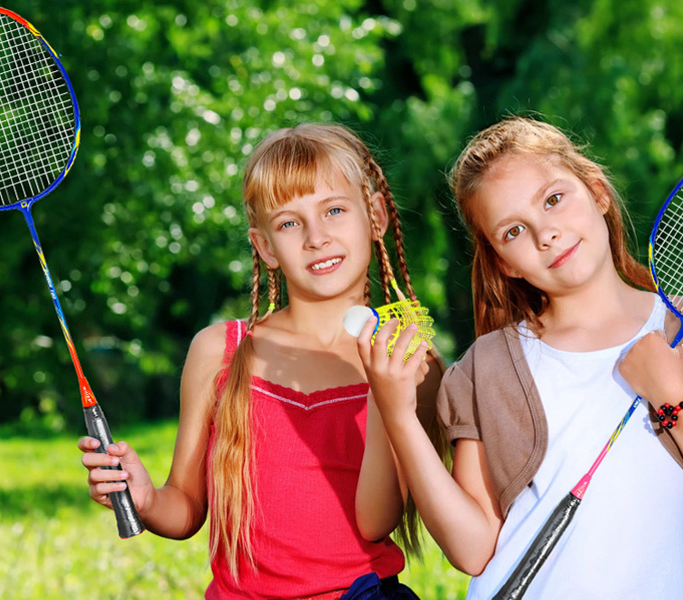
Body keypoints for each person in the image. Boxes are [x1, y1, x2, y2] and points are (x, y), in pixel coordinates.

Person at [355, 116, 683, 599]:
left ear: (596, 191)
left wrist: (672, 394)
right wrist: (398, 417)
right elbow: (472, 552)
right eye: (513, 231)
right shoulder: (486, 367)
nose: (545, 233)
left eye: (554, 199)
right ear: (504, 262)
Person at [78, 123, 442, 599]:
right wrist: (146, 500)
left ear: (374, 216)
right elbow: (185, 507)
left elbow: (376, 521)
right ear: (265, 246)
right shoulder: (219, 351)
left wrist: (384, 392)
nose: (316, 237)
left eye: (334, 210)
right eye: (290, 222)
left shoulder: (411, 361)